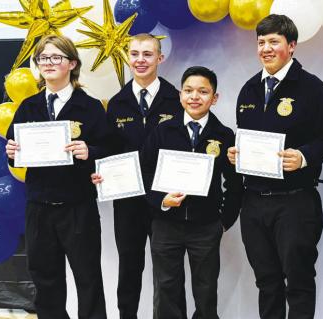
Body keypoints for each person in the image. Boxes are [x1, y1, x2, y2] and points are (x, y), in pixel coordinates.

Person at [227, 14, 323, 318]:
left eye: (273, 41)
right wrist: (238, 155)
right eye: (261, 42)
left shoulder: (312, 89)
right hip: (253, 204)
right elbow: (246, 136)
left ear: (291, 46)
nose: (265, 48)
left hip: (295, 203)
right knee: (267, 282)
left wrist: (304, 156)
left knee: (299, 282)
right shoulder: (249, 89)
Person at [5, 34, 110, 319]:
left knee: (88, 279)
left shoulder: (89, 107)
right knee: (45, 280)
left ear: (72, 63)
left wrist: (91, 151)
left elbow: (110, 147)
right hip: (39, 208)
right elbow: (13, 149)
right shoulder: (28, 106)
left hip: (78, 208)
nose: (48, 63)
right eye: (42, 58)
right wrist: (11, 150)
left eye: (56, 57)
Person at [91, 33, 183, 319]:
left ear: (160, 57)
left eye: (147, 54)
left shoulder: (176, 99)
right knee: (129, 267)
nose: (140, 60)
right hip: (128, 201)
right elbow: (109, 147)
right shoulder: (117, 103)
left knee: (168, 270)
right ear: (127, 58)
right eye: (134, 54)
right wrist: (100, 172)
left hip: (165, 200)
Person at [140, 66, 243, 319]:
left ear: (214, 97)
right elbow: (143, 174)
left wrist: (223, 221)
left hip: (206, 226)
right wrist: (160, 201)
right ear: (180, 95)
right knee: (166, 290)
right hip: (165, 225)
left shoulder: (224, 135)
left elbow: (235, 184)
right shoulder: (163, 132)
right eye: (188, 91)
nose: (194, 97)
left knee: (206, 291)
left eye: (203, 91)